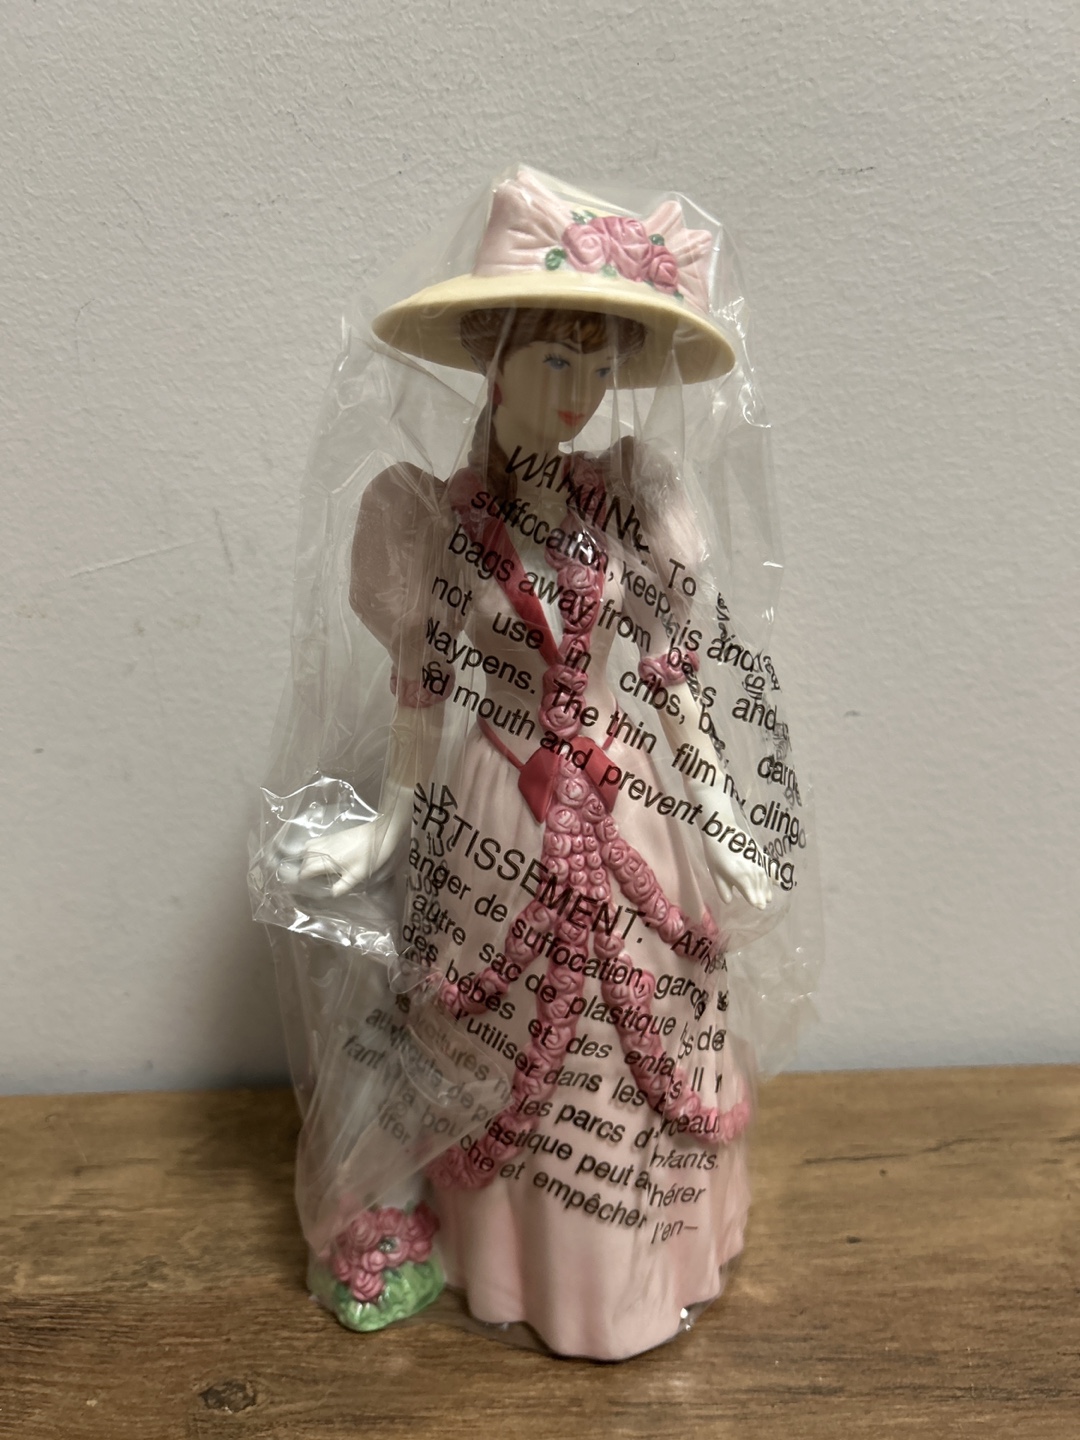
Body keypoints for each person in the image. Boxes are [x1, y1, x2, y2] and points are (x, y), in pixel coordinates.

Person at [257, 168, 811, 1360]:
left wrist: (723, 819)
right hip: (496, 814)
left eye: (598, 369)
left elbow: (673, 682)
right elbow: (423, 689)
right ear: (494, 359)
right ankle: (509, 1261)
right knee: (494, 1042)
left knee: (632, 1038)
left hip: (633, 807)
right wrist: (384, 828)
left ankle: (644, 1266)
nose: (578, 396)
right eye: (555, 361)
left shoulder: (636, 502)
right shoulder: (434, 520)